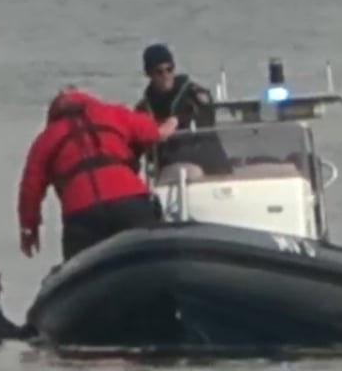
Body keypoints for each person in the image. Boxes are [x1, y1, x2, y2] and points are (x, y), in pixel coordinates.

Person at [17, 87, 179, 262]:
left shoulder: (46, 139)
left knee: (79, 271)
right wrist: (173, 122)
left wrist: (29, 228)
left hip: (82, 214)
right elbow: (154, 132)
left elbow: (30, 189)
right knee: (151, 258)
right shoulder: (114, 114)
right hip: (130, 201)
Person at [133, 43, 232, 175]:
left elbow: (205, 116)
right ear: (149, 74)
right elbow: (138, 144)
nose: (165, 75)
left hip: (210, 164)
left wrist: (176, 121)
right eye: (159, 71)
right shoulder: (143, 108)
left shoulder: (193, 94)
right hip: (171, 167)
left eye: (169, 69)